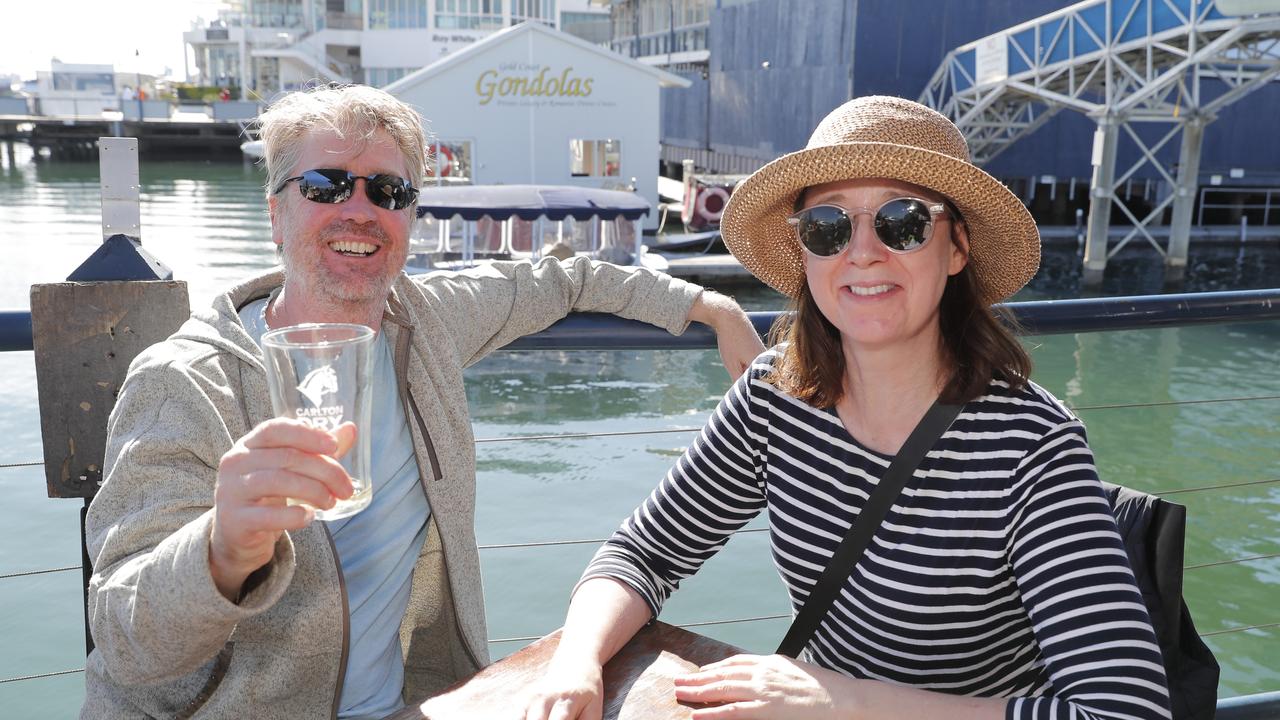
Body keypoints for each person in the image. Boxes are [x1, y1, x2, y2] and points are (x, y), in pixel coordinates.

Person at [82, 84, 764, 719]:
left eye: (387, 189)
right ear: (276, 213)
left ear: (410, 214)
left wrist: (706, 306)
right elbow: (125, 642)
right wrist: (222, 550)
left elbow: (559, 279)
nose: (359, 209)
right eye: (325, 186)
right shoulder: (185, 382)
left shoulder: (427, 322)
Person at [525, 96, 1173, 720]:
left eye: (903, 221)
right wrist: (576, 661)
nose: (862, 251)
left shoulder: (1031, 449)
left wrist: (844, 703)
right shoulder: (774, 398)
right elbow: (646, 551)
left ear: (956, 248)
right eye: (828, 226)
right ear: (806, 252)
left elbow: (1124, 710)